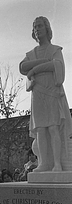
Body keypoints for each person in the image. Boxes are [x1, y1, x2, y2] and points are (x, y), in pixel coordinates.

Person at [19, 16, 72, 172]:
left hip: (52, 93)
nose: (37, 29)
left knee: (53, 128)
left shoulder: (55, 50)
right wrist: (41, 64)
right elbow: (22, 67)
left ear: (47, 28)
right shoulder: (32, 53)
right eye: (35, 27)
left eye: (40, 26)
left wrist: (34, 70)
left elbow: (57, 66)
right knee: (41, 129)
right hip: (38, 94)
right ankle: (45, 163)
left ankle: (57, 163)